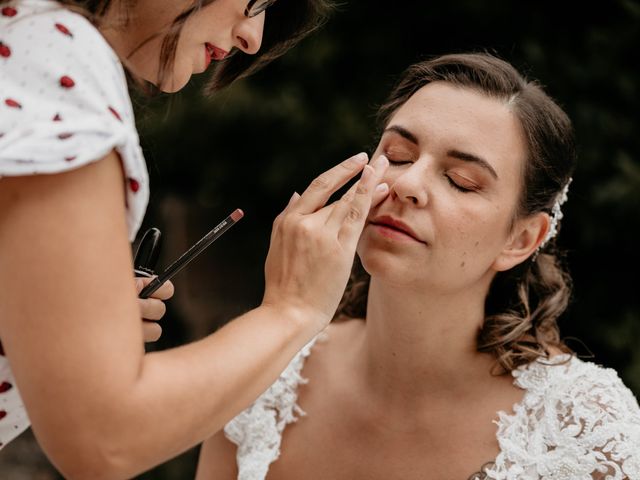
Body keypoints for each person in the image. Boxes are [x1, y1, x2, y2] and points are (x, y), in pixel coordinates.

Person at [195, 52, 640, 480]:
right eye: (399, 155)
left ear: (521, 239)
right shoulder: (263, 371)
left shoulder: (586, 436)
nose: (407, 183)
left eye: (461, 182)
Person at [0, 0, 391, 478]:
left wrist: (63, 318)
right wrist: (292, 310)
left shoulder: (23, 34)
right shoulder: (62, 67)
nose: (253, 37)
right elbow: (105, 438)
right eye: (259, 1)